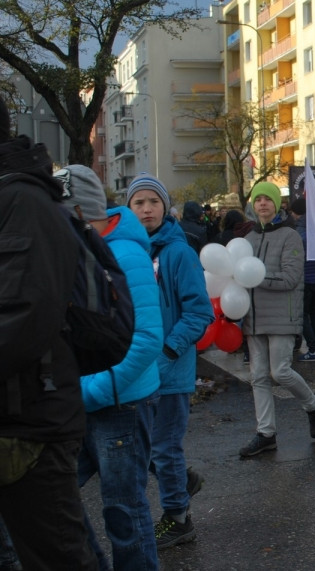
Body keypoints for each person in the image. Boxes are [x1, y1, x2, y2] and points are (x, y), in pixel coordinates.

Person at [0, 113, 99, 569]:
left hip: (32, 425)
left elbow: (25, 317)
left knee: (57, 558)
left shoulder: (22, 200)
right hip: (18, 417)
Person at [57, 165, 165, 570]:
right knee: (54, 499)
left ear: (81, 212)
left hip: (121, 404)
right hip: (82, 400)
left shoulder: (126, 253)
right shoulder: (76, 247)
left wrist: (92, 389)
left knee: (123, 512)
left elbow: (147, 338)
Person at [126, 173, 213, 550]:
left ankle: (179, 518)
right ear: (129, 209)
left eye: (153, 202)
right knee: (140, 447)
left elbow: (199, 312)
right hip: (136, 371)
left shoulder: (180, 252)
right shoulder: (128, 251)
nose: (146, 209)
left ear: (165, 207)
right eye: (138, 203)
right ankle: (181, 480)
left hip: (171, 370)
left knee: (163, 447)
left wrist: (168, 351)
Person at [238, 183, 315, 457]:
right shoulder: (248, 239)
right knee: (259, 377)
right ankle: (266, 433)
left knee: (281, 372)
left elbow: (290, 278)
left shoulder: (290, 236)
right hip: (253, 317)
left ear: (277, 205)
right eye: (258, 199)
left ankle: (313, 404)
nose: (263, 204)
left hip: (281, 316)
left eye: (268, 199)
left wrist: (255, 277)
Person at [289, 198, 315, 361]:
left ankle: (312, 347)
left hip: (306, 277)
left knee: (302, 314)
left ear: (297, 213)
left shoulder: (298, 232)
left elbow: (295, 256)